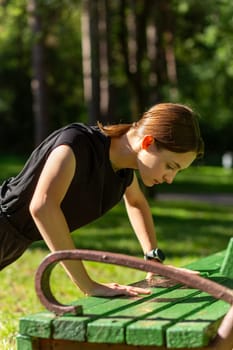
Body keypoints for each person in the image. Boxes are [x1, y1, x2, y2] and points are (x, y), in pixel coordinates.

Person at [0, 102, 204, 297]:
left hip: (16, 240)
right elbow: (43, 207)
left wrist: (154, 262)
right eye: (170, 166)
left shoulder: (123, 169)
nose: (170, 179)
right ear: (148, 142)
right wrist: (88, 285)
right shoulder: (76, 144)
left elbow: (136, 203)